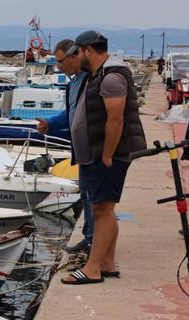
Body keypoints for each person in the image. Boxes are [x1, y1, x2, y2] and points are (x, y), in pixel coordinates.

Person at [61, 30, 146, 285]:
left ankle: (93, 269)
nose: (76, 58)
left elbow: (116, 119)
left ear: (88, 50)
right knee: (103, 209)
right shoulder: (98, 76)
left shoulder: (111, 78)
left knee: (102, 209)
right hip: (95, 154)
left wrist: (107, 153)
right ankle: (107, 264)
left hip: (107, 155)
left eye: (77, 52)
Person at [36, 39, 91, 254]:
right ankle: (88, 239)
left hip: (92, 148)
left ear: (73, 56)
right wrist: (49, 125)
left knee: (95, 199)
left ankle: (93, 241)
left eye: (60, 62)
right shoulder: (74, 84)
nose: (59, 67)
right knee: (86, 194)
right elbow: (71, 115)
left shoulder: (91, 81)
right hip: (79, 148)